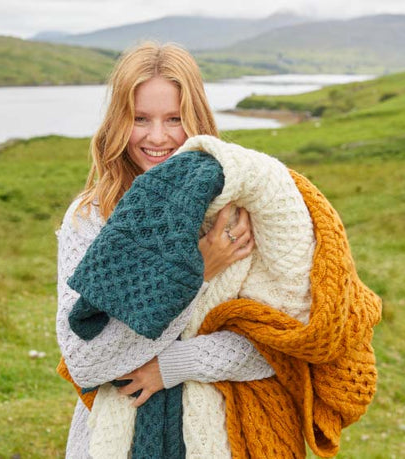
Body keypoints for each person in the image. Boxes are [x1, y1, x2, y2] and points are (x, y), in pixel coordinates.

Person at [54, 42, 269, 458]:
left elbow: (274, 347)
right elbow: (85, 360)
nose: (158, 137)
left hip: (217, 436)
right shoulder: (92, 219)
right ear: (118, 123)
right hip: (112, 436)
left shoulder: (237, 211)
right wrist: (196, 271)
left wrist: (171, 366)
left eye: (174, 119)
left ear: (198, 121)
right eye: (140, 119)